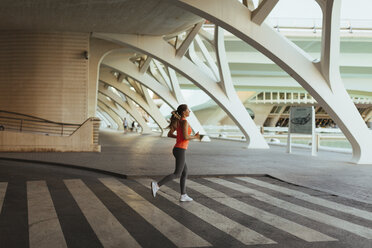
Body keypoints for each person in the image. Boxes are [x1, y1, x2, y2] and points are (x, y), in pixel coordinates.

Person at [151, 104, 200, 202]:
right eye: (188, 110)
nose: (189, 111)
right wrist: (195, 137)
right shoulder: (184, 122)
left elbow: (170, 134)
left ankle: (183, 195)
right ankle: (157, 185)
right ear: (183, 112)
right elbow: (186, 137)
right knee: (177, 173)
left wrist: (179, 138)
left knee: (184, 172)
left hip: (178, 149)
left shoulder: (178, 121)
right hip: (180, 149)